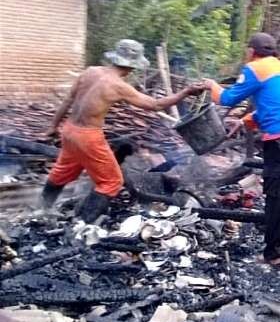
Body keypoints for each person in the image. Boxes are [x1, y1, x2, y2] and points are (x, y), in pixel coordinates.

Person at [39, 40, 205, 223]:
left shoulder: (90, 72)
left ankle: (41, 209)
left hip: (69, 130)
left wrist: (52, 126)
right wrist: (186, 91)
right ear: (131, 67)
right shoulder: (118, 86)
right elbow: (155, 105)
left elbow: (68, 100)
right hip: (88, 136)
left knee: (62, 171)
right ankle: (82, 224)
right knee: (111, 182)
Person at [202, 33, 280, 268]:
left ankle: (273, 255)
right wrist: (245, 120)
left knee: (276, 199)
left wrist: (211, 86)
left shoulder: (254, 68)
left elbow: (226, 99)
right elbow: (276, 106)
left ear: (252, 51)